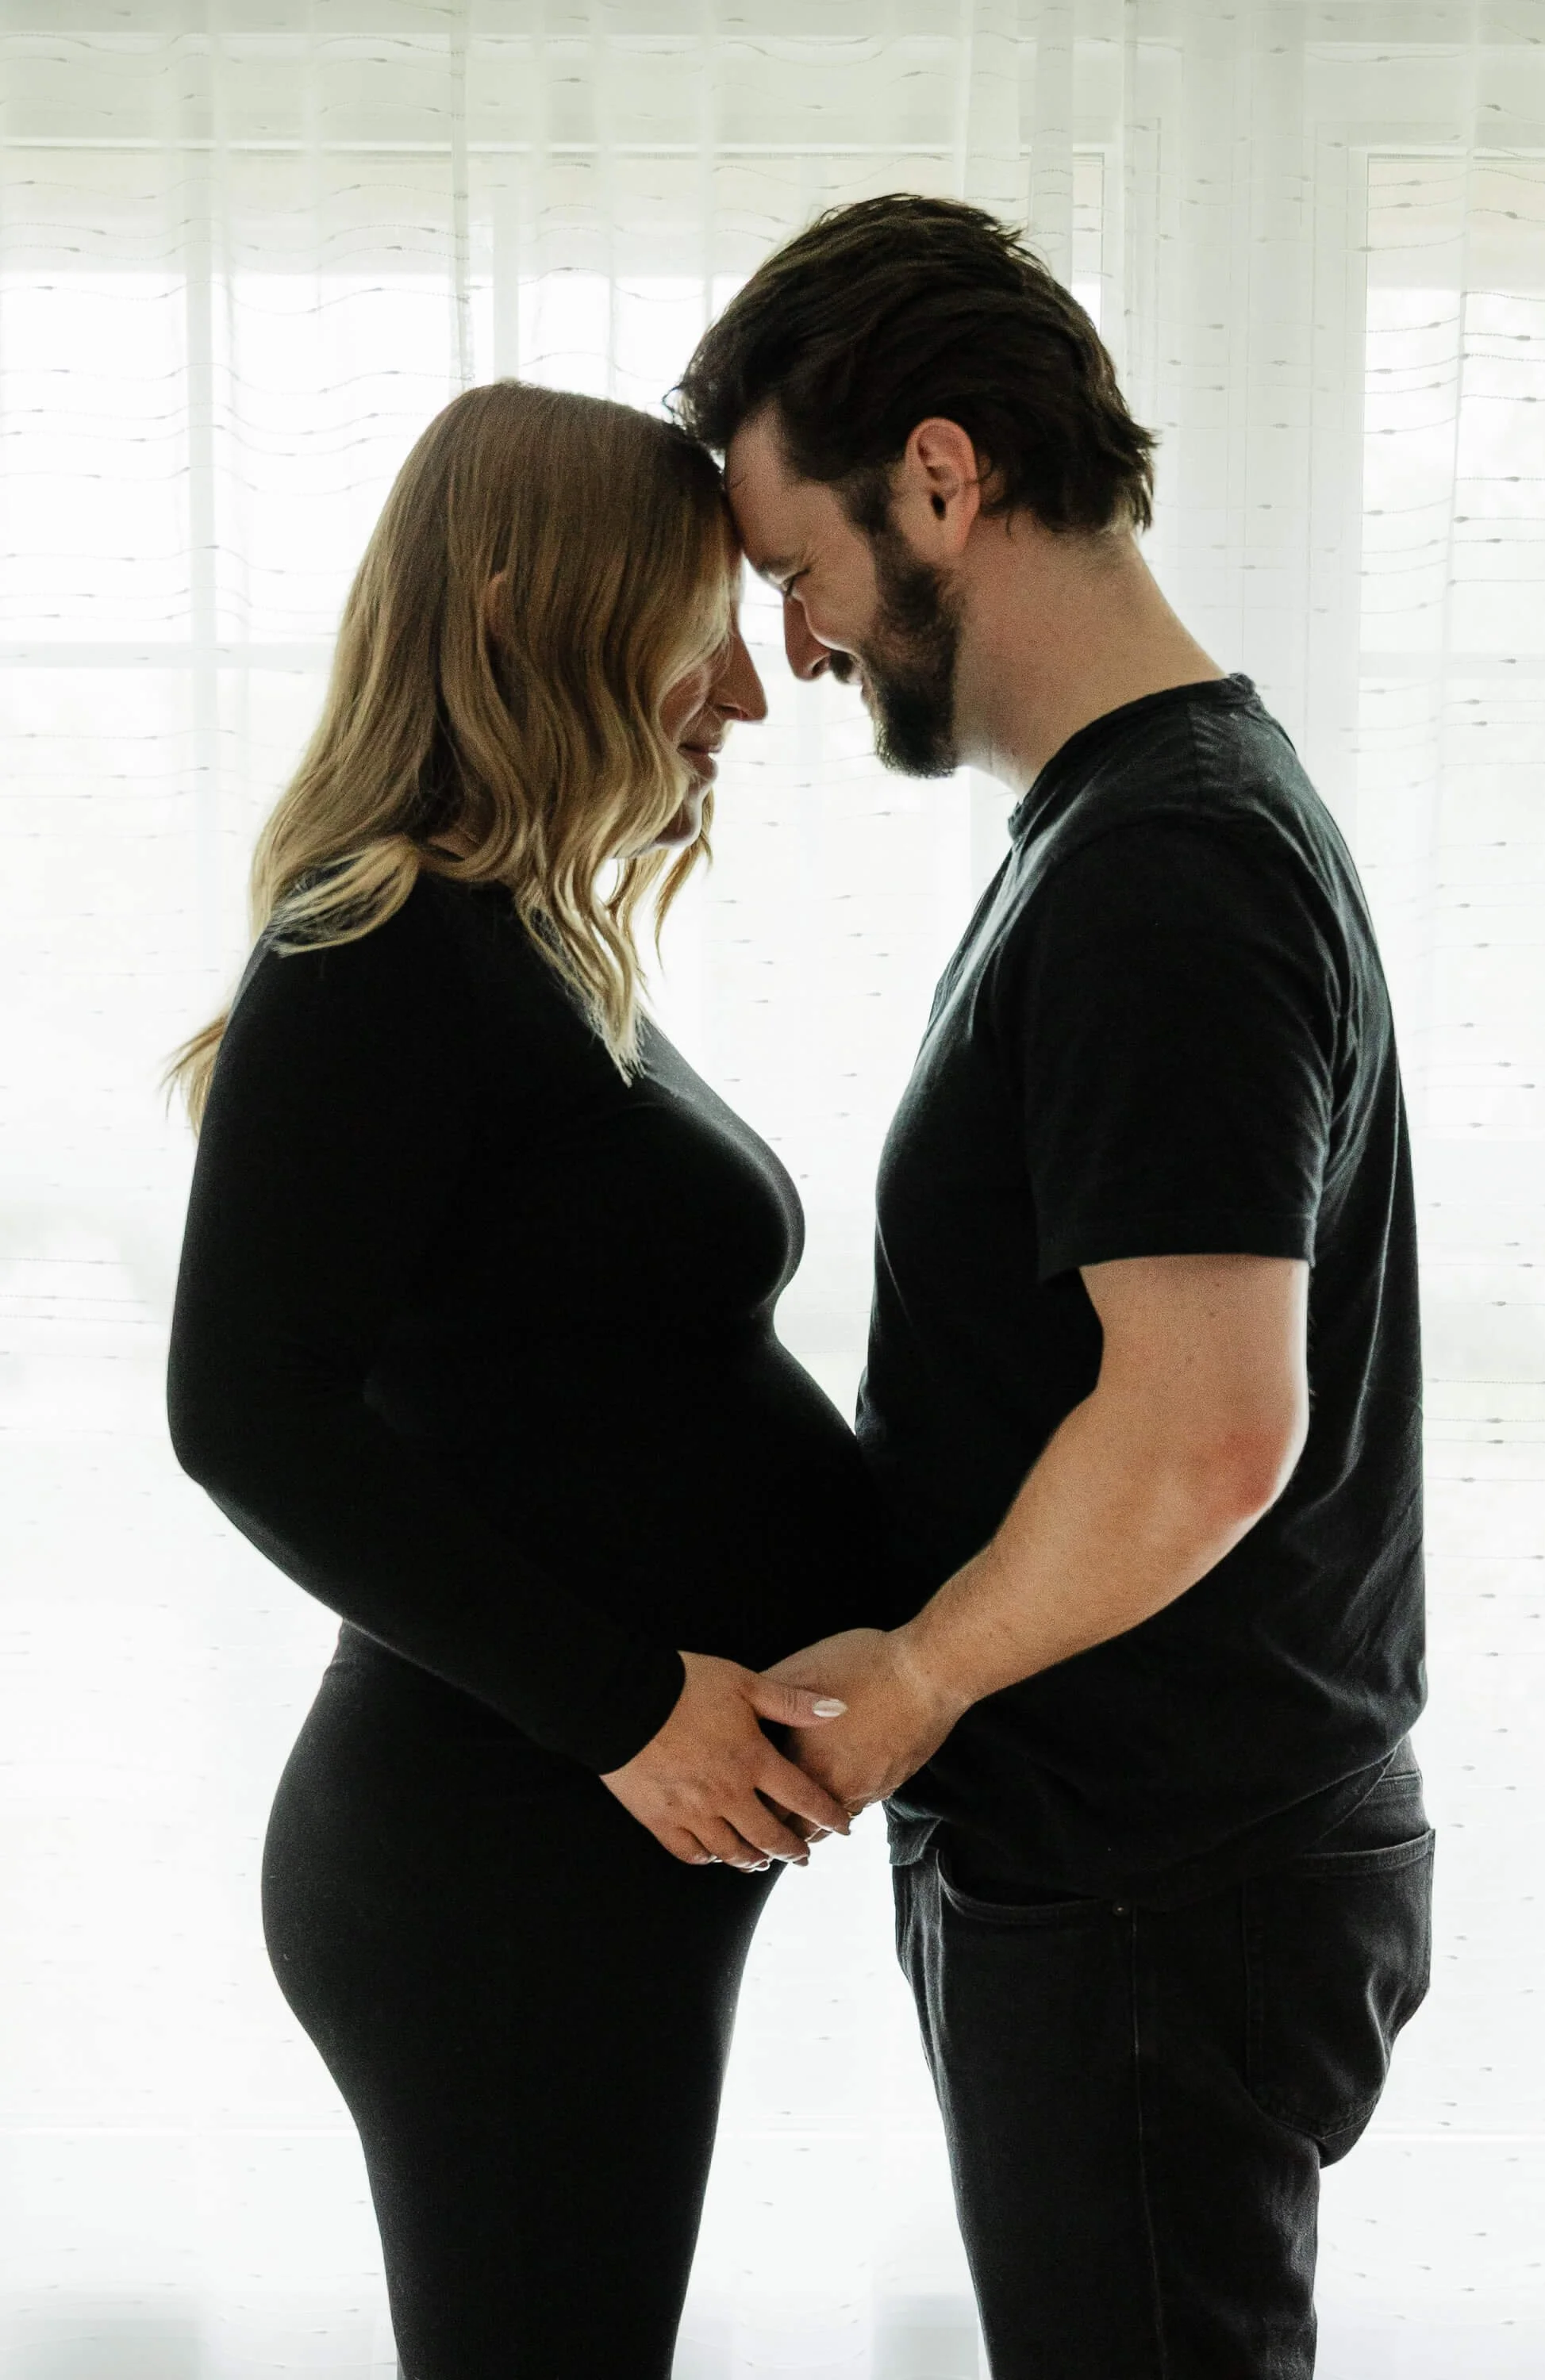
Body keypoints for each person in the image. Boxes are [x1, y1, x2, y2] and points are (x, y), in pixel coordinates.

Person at [673, 195, 1434, 2379]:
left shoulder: (1166, 866)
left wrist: (920, 1679)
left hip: (1153, 1879)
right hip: (1144, 1864)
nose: (795, 649)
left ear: (939, 477)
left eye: (796, 566)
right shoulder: (1136, 826)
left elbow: (1208, 1427)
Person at [163, 380, 913, 2380]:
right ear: (522, 615)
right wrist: (627, 1707)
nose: (743, 694)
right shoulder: (375, 945)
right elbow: (245, 1413)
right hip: (497, 1858)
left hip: (582, 1854)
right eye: (697, 626)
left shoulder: (517, 938)